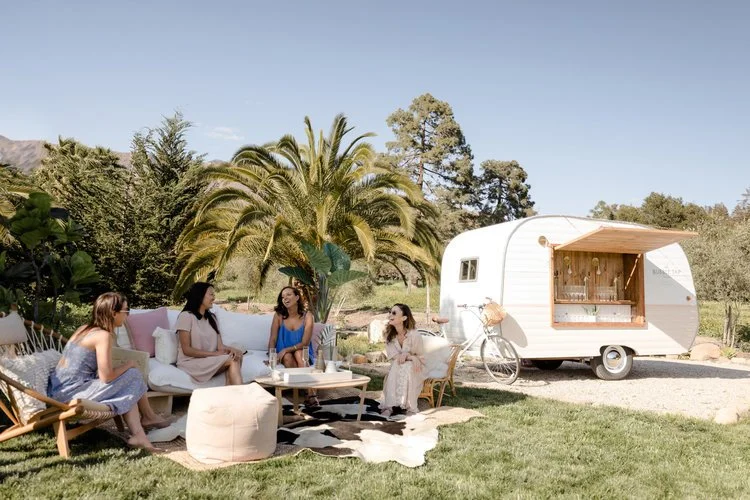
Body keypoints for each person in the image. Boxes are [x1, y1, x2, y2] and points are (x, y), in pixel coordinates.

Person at [48, 292, 167, 451]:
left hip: (56, 390)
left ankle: (141, 433)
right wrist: (129, 364)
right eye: (126, 311)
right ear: (113, 313)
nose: (127, 315)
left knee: (128, 379)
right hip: (71, 395)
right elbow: (106, 377)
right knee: (133, 374)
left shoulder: (84, 329)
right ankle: (147, 419)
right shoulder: (103, 336)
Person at [175, 282, 243, 385]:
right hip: (191, 362)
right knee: (232, 360)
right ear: (200, 295)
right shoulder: (186, 316)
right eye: (211, 294)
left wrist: (233, 349)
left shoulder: (212, 318)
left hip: (209, 359)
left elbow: (220, 347)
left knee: (237, 355)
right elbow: (187, 350)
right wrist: (214, 354)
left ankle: (230, 395)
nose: (214, 298)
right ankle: (241, 396)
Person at [267, 286, 318, 406]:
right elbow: (273, 338)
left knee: (299, 354)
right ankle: (309, 392)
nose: (285, 298)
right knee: (288, 357)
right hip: (284, 354)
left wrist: (285, 349)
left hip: (302, 351)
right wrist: (271, 357)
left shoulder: (308, 316)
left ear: (297, 297)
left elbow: (305, 343)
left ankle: (308, 392)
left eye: (289, 295)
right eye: (283, 297)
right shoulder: (279, 315)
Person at [379, 303, 425, 417]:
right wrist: (408, 356)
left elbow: (421, 356)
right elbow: (394, 355)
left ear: (404, 318)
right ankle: (389, 406)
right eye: (390, 312)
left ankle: (410, 407)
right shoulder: (389, 335)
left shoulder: (414, 335)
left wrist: (411, 357)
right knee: (397, 364)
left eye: (394, 313)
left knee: (406, 366)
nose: (390, 315)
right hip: (399, 365)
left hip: (418, 367)